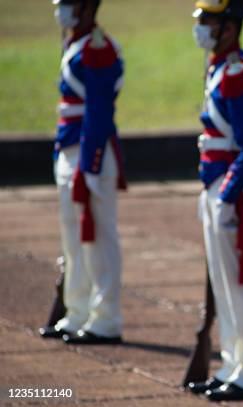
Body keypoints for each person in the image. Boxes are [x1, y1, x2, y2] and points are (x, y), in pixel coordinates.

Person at [187, 0, 243, 401]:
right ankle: (232, 365)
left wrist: (227, 195)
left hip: (231, 192)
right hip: (215, 186)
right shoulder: (221, 68)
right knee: (223, 285)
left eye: (209, 21)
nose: (201, 27)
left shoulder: (241, 75)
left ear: (230, 28)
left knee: (241, 283)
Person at [39, 0, 126, 345]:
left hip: (91, 155)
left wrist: (88, 167)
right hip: (70, 150)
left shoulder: (98, 48)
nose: (62, 9)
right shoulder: (76, 42)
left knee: (99, 240)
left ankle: (105, 318)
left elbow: (99, 113)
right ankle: (76, 312)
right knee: (72, 240)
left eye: (70, 3)